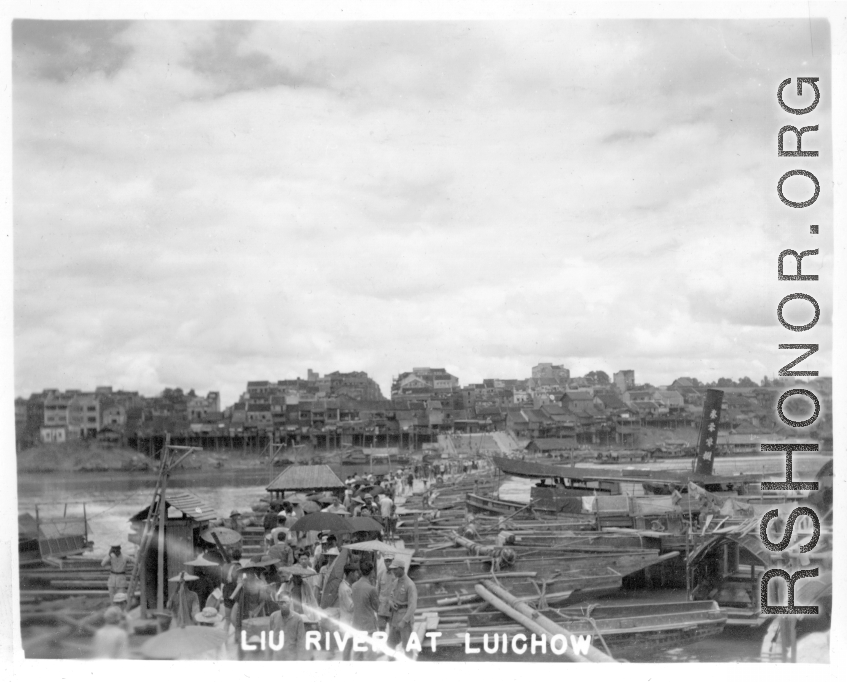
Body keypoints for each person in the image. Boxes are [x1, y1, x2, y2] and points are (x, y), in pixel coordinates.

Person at [348, 562, 380, 661]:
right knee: (370, 655)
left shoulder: (354, 586)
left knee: (357, 654)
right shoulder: (371, 589)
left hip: (357, 624)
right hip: (368, 626)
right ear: (371, 572)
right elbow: (377, 607)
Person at [387, 558, 417, 652]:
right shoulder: (395, 582)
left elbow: (412, 606)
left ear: (401, 569)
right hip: (395, 618)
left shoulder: (410, 585)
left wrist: (404, 621)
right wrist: (391, 603)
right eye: (392, 569)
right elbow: (391, 597)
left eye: (395, 569)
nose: (393, 571)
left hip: (405, 619)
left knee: (407, 646)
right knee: (390, 644)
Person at [268, 592, 307, 661]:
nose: (284, 605)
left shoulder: (298, 618)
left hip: (291, 657)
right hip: (277, 657)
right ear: (278, 603)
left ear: (291, 602)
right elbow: (269, 639)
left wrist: (300, 660)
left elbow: (301, 642)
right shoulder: (273, 617)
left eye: (286, 602)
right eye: (281, 602)